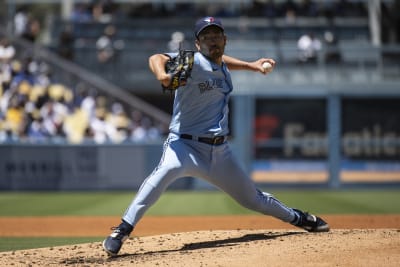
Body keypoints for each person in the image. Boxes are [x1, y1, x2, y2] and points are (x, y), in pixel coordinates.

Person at [103, 16, 329, 257]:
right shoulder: (192, 62)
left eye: (216, 36)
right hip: (183, 145)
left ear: (225, 40)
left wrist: (252, 66)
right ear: (197, 43)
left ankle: (299, 218)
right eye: (206, 37)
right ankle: (122, 230)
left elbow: (221, 62)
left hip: (219, 152)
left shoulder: (219, 64)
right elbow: (156, 58)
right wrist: (162, 75)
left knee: (253, 199)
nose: (213, 41)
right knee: (161, 176)